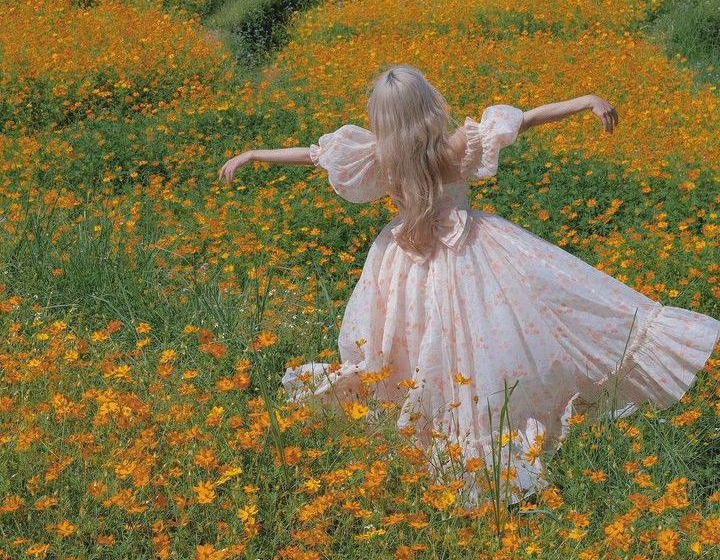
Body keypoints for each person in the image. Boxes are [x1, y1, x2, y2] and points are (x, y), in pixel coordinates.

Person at [218, 64, 720, 508]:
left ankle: (435, 438)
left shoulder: (379, 156)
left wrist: (254, 154)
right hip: (467, 256)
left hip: (404, 265)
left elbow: (311, 155)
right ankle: (478, 445)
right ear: (427, 104)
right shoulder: (456, 144)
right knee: (483, 344)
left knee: (413, 349)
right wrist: (587, 100)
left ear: (382, 118)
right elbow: (526, 119)